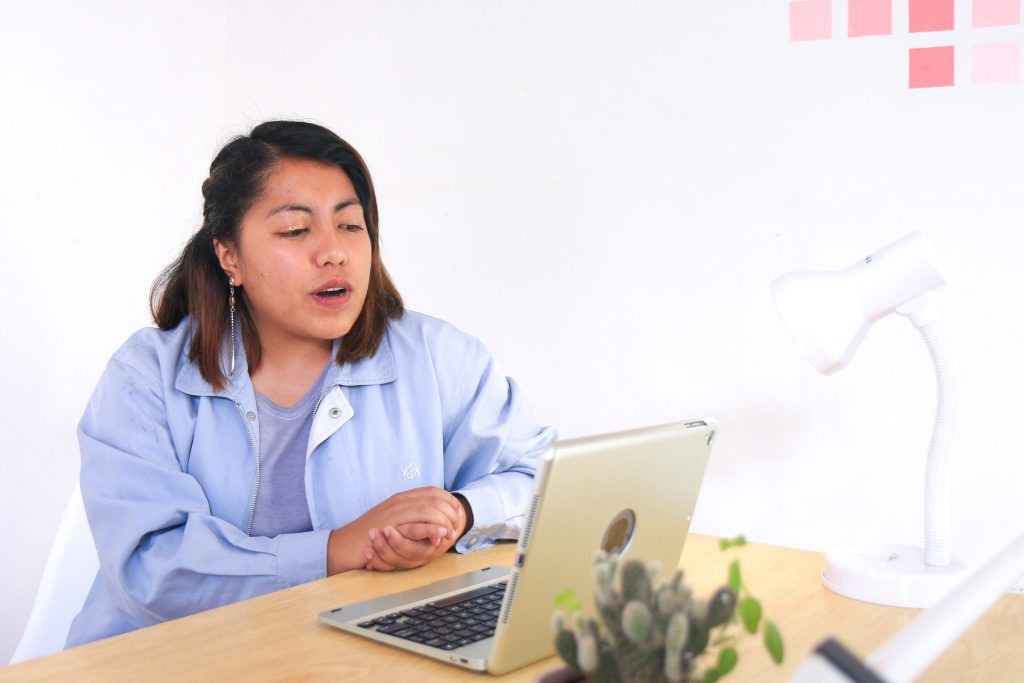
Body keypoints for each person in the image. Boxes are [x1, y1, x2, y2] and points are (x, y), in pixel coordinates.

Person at [66, 120, 555, 647]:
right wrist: (337, 550)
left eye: (351, 226)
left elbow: (544, 481)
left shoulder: (438, 357)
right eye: (296, 231)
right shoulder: (146, 377)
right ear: (230, 256)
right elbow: (152, 567)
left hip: (355, 657)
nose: (333, 252)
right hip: (171, 659)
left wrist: (462, 513)